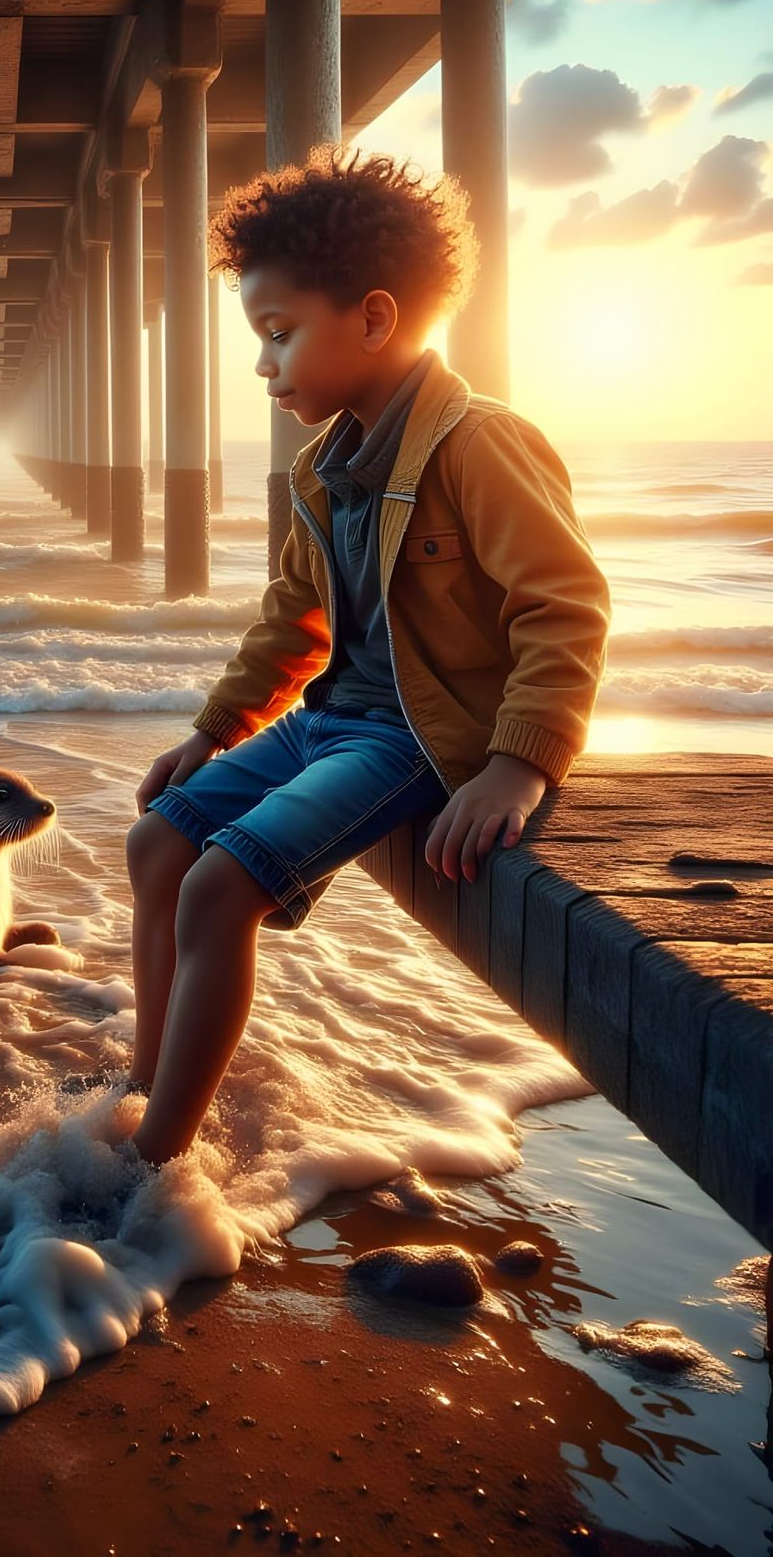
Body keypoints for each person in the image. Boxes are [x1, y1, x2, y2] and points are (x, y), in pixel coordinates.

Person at [121, 146, 611, 1168]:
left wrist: (518, 765)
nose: (264, 366)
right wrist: (214, 731)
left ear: (375, 319)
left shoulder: (479, 442)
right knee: (158, 845)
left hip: (413, 739)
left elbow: (563, 606)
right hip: (326, 721)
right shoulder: (323, 465)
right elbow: (292, 617)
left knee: (219, 887)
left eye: (278, 334)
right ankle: (145, 1082)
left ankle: (156, 1160)